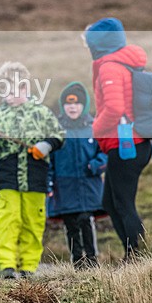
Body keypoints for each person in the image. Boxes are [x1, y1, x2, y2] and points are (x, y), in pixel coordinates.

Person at [0, 62, 64, 279]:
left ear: (25, 88)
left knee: (33, 222)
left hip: (36, 177)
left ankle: (28, 267)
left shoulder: (42, 113)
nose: (9, 95)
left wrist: (45, 146)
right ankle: (7, 266)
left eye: (14, 90)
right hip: (7, 177)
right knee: (9, 220)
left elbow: (58, 136)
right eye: (5, 90)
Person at [84, 17, 152, 261]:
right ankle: (133, 255)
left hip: (126, 145)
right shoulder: (124, 63)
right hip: (134, 143)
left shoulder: (109, 67)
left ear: (99, 44)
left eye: (89, 42)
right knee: (111, 202)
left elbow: (114, 108)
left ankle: (137, 257)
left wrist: (95, 129)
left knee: (122, 203)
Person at [46, 82, 108, 269]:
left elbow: (105, 152)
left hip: (89, 185)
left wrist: (95, 165)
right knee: (71, 223)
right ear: (63, 106)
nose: (72, 107)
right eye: (68, 103)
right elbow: (48, 160)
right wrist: (48, 183)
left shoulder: (94, 128)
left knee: (85, 219)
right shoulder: (56, 130)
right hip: (64, 187)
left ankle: (92, 259)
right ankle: (77, 261)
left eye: (77, 103)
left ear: (84, 105)